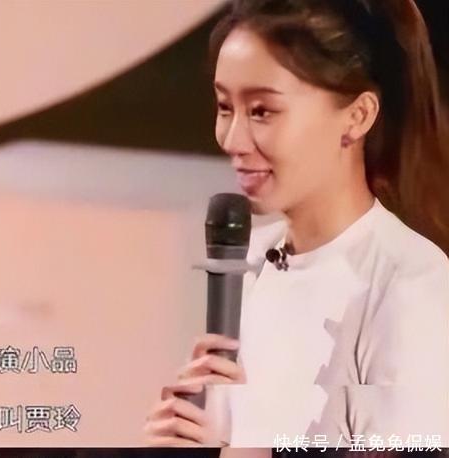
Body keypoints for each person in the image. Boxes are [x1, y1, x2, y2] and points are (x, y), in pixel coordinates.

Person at [144, 0, 449, 453]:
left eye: (262, 111)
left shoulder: (410, 280)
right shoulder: (250, 260)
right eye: (225, 107)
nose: (231, 139)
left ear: (358, 116)